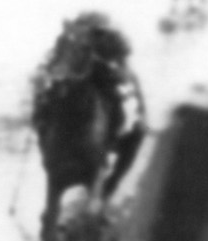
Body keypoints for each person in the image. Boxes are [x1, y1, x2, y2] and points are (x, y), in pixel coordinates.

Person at [33, 12, 144, 145]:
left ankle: (115, 134)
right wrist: (45, 73)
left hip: (103, 78)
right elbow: (55, 59)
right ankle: (42, 124)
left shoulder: (113, 39)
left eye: (88, 33)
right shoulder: (68, 39)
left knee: (119, 104)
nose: (83, 36)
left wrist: (113, 70)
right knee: (48, 97)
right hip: (75, 77)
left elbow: (124, 66)